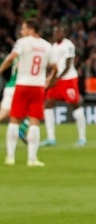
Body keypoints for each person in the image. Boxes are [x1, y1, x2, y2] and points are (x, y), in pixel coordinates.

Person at [0, 19, 56, 167]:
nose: (21, 32)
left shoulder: (22, 42)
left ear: (32, 29)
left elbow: (12, 57)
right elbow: (55, 67)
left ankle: (10, 157)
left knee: (15, 120)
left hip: (22, 84)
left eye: (24, 29)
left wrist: (0, 70)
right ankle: (32, 159)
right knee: (34, 122)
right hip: (38, 86)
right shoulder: (47, 45)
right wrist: (49, 80)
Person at [40, 26, 87, 147]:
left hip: (68, 79)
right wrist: (50, 77)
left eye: (59, 32)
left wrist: (57, 78)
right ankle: (51, 138)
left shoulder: (69, 45)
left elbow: (68, 64)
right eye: (55, 32)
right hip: (57, 79)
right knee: (48, 104)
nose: (57, 34)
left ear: (64, 33)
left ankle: (82, 137)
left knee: (75, 104)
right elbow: (52, 65)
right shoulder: (53, 46)